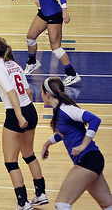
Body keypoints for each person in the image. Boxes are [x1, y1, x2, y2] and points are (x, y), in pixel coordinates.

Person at [0, 36, 48, 210]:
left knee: (10, 161)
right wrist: (27, 113)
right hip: (30, 109)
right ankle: (41, 194)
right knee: (28, 153)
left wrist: (19, 116)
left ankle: (23, 203)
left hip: (16, 112)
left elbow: (12, 93)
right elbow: (28, 91)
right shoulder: (13, 64)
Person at [40, 76, 112, 210]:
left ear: (47, 94)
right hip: (91, 161)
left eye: (41, 92)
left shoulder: (67, 109)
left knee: (62, 204)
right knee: (107, 205)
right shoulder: (58, 111)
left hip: (88, 159)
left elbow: (95, 120)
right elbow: (63, 134)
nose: (41, 95)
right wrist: (46, 144)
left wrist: (83, 145)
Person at [11, 0, 81, 86]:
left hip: (54, 14)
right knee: (30, 37)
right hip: (44, 12)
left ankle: (72, 74)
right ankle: (32, 62)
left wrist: (64, 11)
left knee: (56, 48)